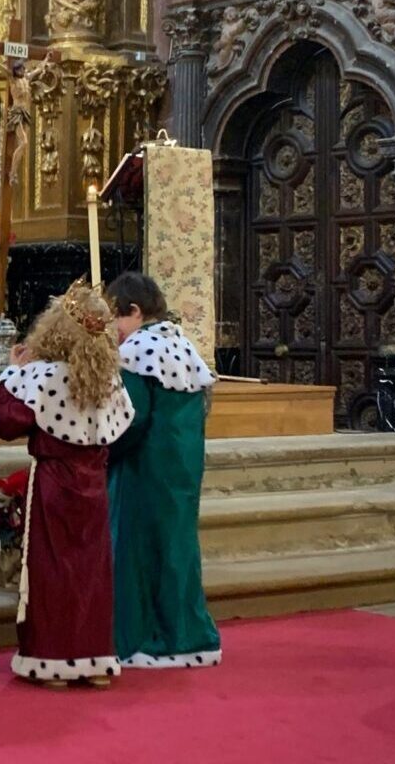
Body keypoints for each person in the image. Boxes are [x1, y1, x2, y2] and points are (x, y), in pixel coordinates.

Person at [0, 279, 134, 687]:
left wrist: (12, 370)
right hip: (94, 484)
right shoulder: (107, 379)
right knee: (91, 572)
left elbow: (5, 421)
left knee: (53, 571)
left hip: (54, 483)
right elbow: (122, 425)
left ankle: (52, 660)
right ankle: (94, 661)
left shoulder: (44, 376)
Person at [106, 271, 222, 668]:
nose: (115, 330)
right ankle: (189, 635)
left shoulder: (138, 351)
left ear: (134, 311)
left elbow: (131, 419)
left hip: (144, 471)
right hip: (182, 471)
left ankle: (147, 638)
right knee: (177, 550)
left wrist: (101, 452)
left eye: (116, 318)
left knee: (139, 555)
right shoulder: (181, 345)